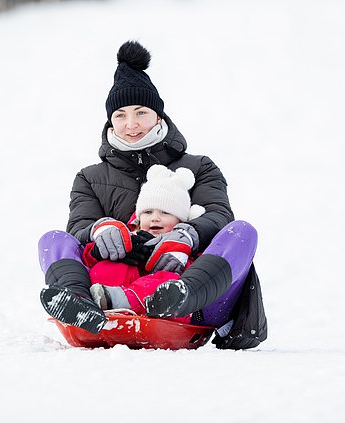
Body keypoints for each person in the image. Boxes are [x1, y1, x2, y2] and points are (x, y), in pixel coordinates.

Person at [38, 40, 267, 349]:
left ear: (158, 116)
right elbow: (77, 231)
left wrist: (187, 235)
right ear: (110, 121)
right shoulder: (90, 178)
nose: (131, 124)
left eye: (141, 112)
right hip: (107, 291)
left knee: (242, 233)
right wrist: (99, 229)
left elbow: (219, 215)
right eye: (120, 115)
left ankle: (176, 296)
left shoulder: (198, 167)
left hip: (191, 294)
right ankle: (80, 306)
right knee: (52, 240)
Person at [85, 164, 205, 323]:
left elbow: (197, 270)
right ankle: (99, 301)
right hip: (113, 296)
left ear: (180, 221)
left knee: (169, 281)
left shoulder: (182, 246)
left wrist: (177, 258)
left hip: (160, 310)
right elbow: (87, 260)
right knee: (108, 266)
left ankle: (125, 301)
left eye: (166, 212)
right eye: (148, 212)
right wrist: (98, 252)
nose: (155, 218)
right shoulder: (128, 235)